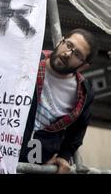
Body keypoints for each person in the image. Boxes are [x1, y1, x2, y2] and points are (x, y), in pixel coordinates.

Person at [19, 28, 97, 174]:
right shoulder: (29, 61)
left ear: (84, 66)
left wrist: (64, 156)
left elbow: (77, 131)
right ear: (60, 41)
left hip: (39, 164)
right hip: (2, 148)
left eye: (78, 55)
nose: (68, 54)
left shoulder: (83, 93)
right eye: (68, 45)